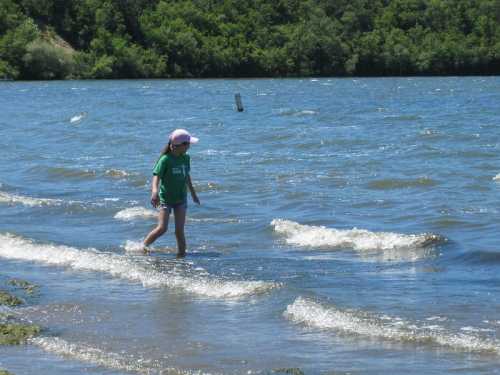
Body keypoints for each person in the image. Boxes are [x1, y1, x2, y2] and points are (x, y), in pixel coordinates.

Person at [143, 129, 200, 257]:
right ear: (180, 146)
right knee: (162, 228)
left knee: (179, 231)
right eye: (188, 144)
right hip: (165, 199)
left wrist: (193, 194)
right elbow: (156, 176)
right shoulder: (165, 159)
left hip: (181, 198)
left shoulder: (186, 158)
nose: (190, 146)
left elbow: (187, 176)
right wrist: (154, 191)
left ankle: (181, 257)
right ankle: (143, 246)